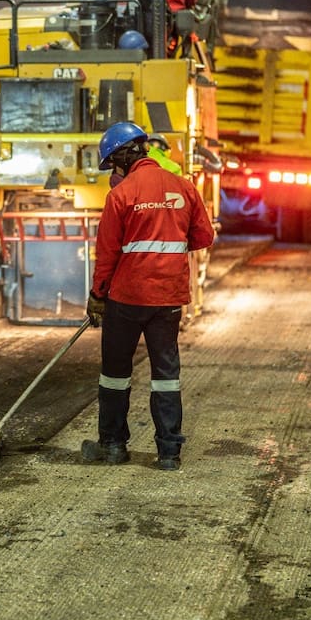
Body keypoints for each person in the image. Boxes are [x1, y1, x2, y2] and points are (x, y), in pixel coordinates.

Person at [83, 121, 215, 471]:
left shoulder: (121, 196)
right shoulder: (183, 188)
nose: (114, 173)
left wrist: (98, 295)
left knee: (114, 374)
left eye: (113, 165)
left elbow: (107, 252)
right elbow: (204, 238)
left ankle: (113, 445)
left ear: (124, 157)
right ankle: (169, 451)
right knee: (166, 375)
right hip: (167, 299)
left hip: (126, 299)